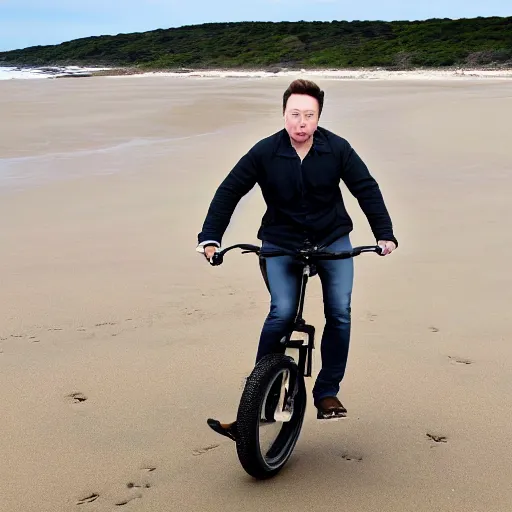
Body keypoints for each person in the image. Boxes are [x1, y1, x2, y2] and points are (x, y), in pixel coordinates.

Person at [196, 79, 398, 441]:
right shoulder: (264, 152)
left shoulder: (337, 149)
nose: (301, 122)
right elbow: (230, 190)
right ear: (283, 114)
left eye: (309, 115)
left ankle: (326, 393)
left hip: (332, 238)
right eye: (294, 114)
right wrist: (210, 237)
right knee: (281, 312)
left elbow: (365, 187)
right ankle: (256, 399)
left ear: (318, 117)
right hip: (281, 241)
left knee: (339, 310)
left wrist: (384, 233)